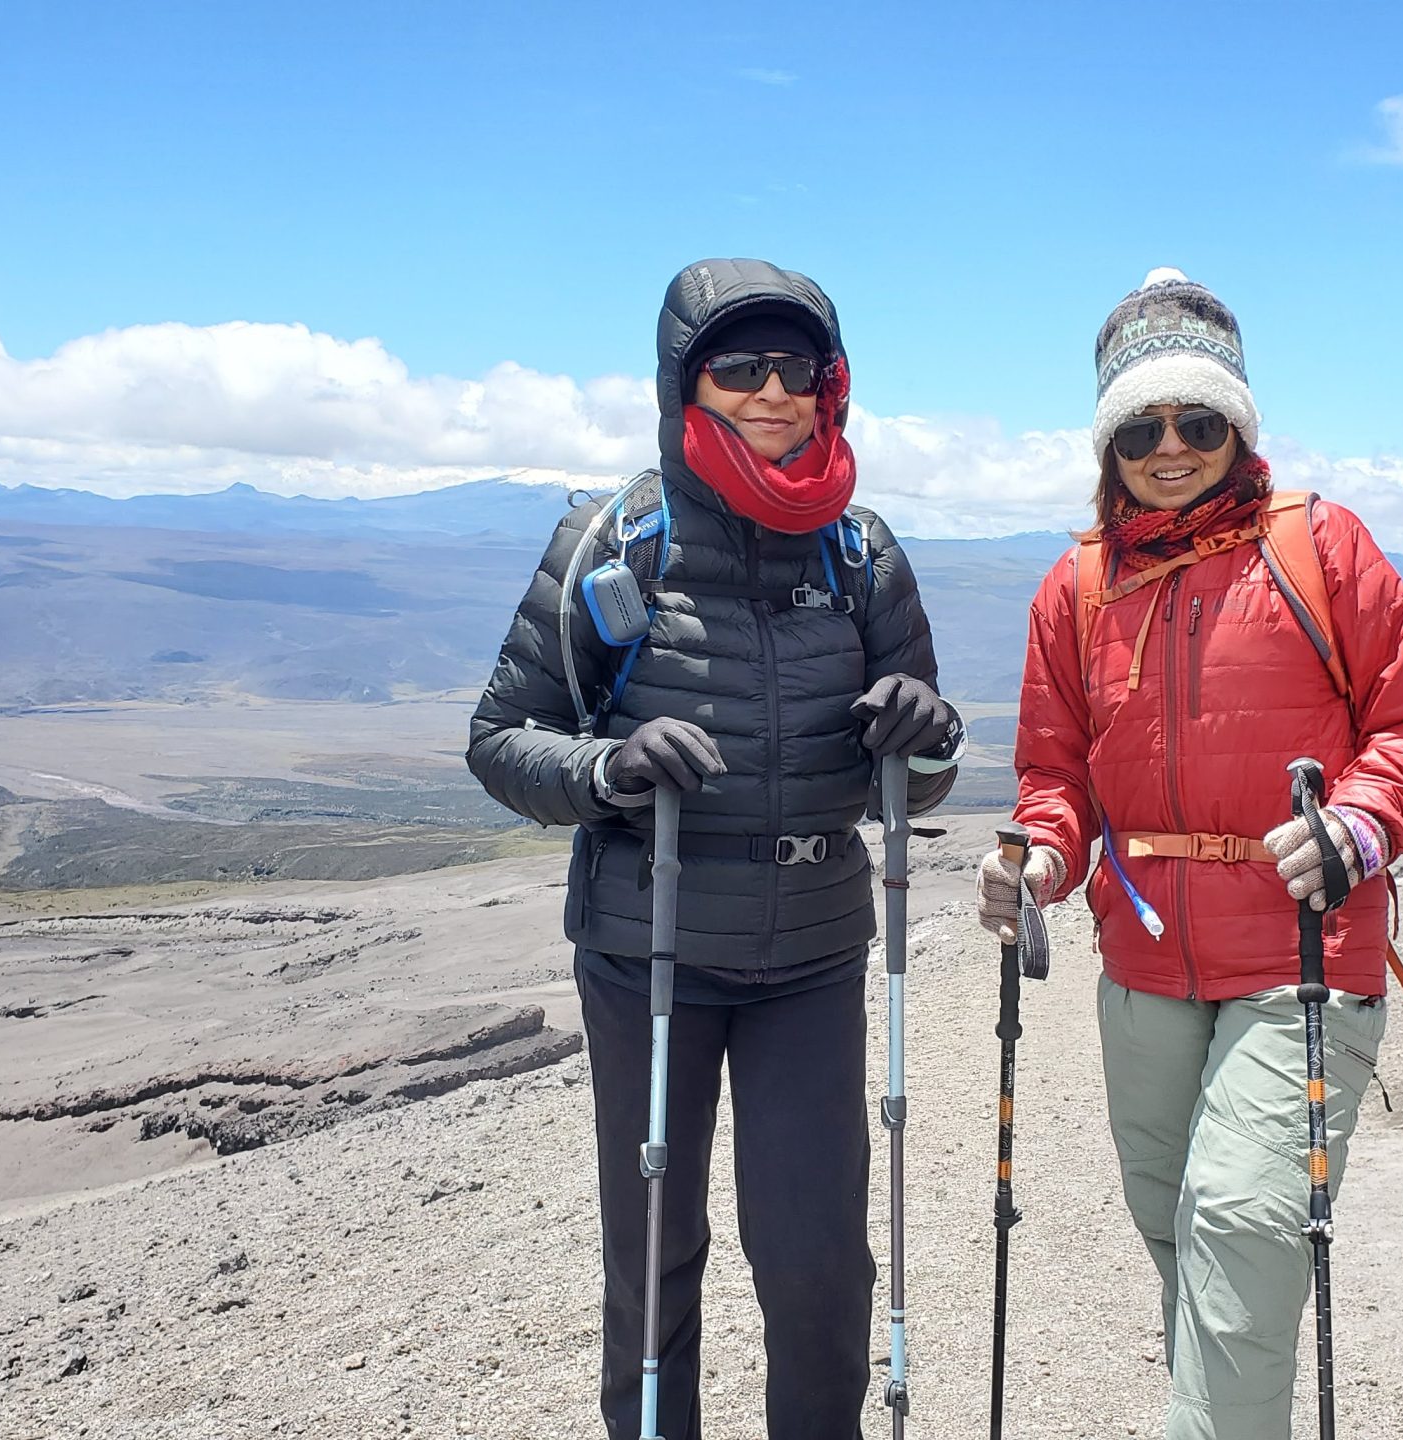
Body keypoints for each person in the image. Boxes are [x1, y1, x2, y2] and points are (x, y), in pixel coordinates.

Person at [469, 257, 962, 1440]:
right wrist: (607, 770)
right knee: (654, 1252)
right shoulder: (611, 541)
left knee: (818, 1262)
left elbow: (926, 772)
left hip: (811, 954)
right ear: (684, 384)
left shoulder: (861, 554)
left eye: (799, 368)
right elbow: (498, 739)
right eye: (740, 366)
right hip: (652, 949)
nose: (774, 390)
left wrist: (926, 732)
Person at [975, 268, 1403, 1439]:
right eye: (1140, 427)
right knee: (1180, 1228)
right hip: (1142, 969)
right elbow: (1057, 774)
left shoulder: (1321, 549)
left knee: (1239, 1224)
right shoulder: (1078, 584)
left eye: (1198, 421)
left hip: (1303, 956)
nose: (1171, 446)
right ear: (1109, 444)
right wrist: (1040, 857)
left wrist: (1360, 824)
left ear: (1238, 425)